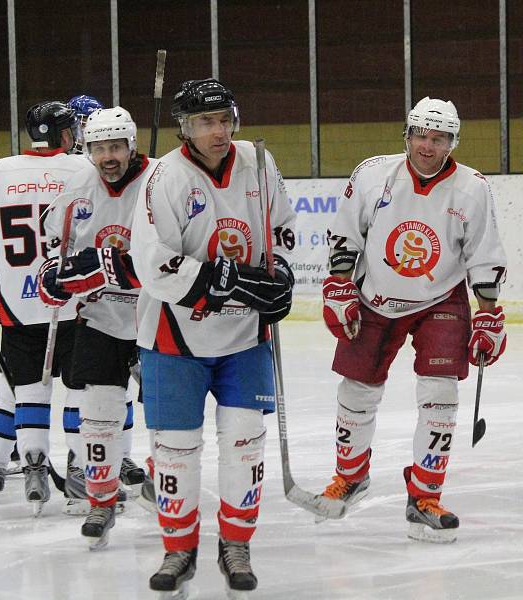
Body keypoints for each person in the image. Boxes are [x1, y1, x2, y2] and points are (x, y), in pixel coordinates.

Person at [130, 79, 296, 597]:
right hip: (174, 339)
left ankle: (236, 544)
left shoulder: (258, 161)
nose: (219, 130)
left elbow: (284, 230)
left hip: (246, 338)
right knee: (176, 450)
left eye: (224, 118)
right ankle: (178, 550)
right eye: (206, 122)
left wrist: (282, 275)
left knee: (245, 442)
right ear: (185, 128)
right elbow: (154, 264)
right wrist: (231, 285)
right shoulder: (165, 177)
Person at [315, 96, 507, 544]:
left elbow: (483, 254)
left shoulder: (473, 188)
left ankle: (425, 497)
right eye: (421, 134)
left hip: (441, 298)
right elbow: (346, 232)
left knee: (440, 397)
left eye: (438, 138)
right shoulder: (372, 174)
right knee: (356, 391)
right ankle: (351, 476)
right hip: (375, 297)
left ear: (452, 143)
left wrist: (489, 316)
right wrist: (340, 286)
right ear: (407, 135)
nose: (427, 145)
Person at [0, 101, 87, 515]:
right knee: (81, 391)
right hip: (73, 302)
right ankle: (80, 470)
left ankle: (32, 466)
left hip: (18, 305)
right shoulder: (82, 169)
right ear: (67, 135)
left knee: (26, 389)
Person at [39, 106, 153, 549]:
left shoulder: (161, 180)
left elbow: (170, 258)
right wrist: (55, 277)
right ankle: (101, 499)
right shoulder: (78, 186)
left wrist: (103, 268)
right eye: (99, 147)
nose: (108, 156)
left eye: (116, 146)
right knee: (99, 411)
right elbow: (57, 250)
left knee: (166, 414)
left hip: (154, 318)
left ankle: (165, 483)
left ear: (131, 146)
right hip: (102, 318)